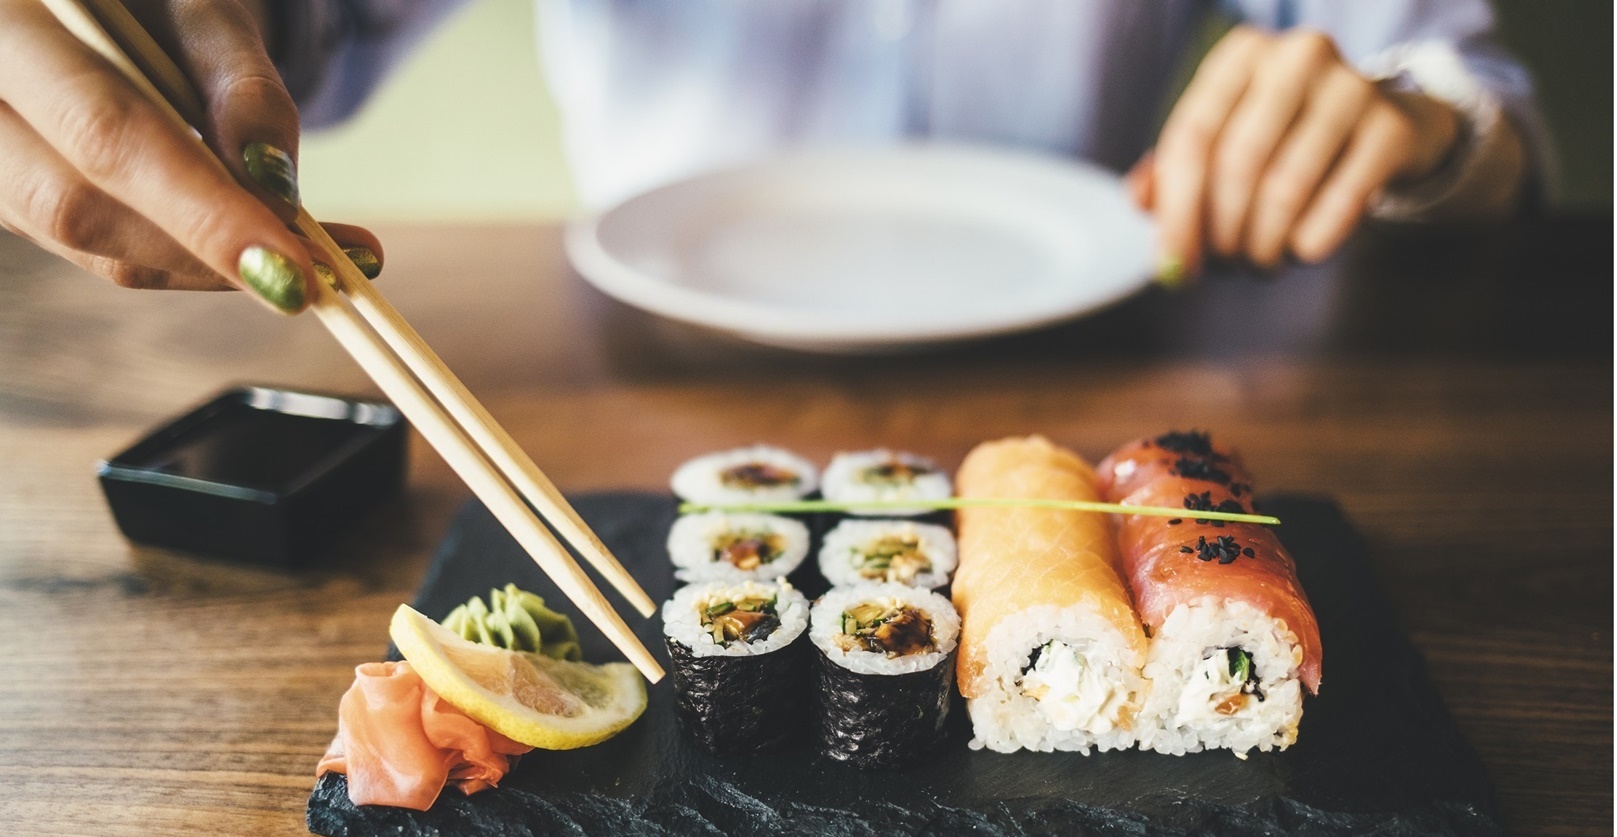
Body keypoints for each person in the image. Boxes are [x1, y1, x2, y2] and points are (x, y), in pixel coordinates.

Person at [0, 0, 1544, 315]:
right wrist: (161, 32)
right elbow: (282, 37)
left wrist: (1408, 123)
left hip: (1113, 326)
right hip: (640, 352)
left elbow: (1470, 91)